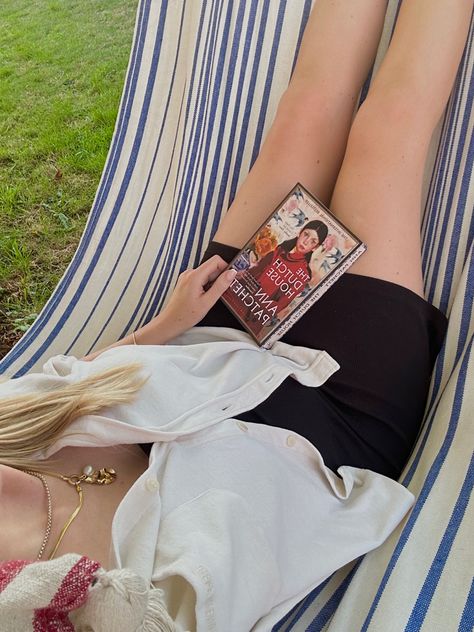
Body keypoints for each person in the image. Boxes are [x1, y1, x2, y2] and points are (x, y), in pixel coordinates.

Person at [0, 1, 471, 630]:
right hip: (327, 426)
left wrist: (165, 325)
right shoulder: (78, 608)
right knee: (387, 131)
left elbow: (66, 387)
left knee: (306, 107)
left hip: (221, 332)